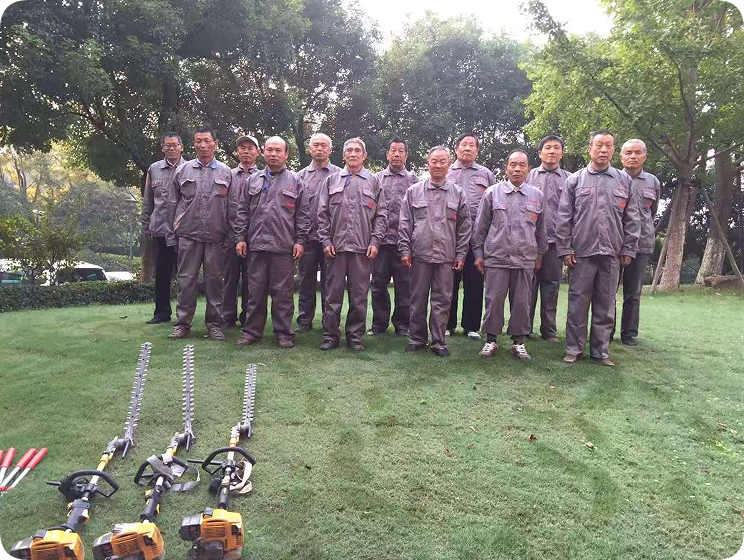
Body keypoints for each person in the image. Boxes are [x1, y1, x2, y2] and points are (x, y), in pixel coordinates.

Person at [555, 130, 640, 366]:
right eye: (599, 145)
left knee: (606, 304)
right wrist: (565, 249)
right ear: (590, 149)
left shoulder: (624, 181)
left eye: (608, 146)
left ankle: (601, 352)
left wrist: (628, 249)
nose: (603, 150)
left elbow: (632, 219)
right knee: (577, 303)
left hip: (612, 253)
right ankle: (574, 349)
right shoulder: (575, 180)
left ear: (613, 150)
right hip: (581, 253)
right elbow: (563, 218)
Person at [233, 136, 310, 348]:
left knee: (282, 293)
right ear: (263, 152)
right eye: (269, 150)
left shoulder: (296, 181)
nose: (273, 154)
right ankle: (251, 332)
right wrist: (240, 238)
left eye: (278, 150)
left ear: (286, 154)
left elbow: (303, 215)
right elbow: (242, 212)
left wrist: (300, 241)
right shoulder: (252, 181)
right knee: (255, 292)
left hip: (283, 246)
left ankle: (284, 333)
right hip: (256, 245)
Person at [473, 149, 546, 360]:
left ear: (528, 169)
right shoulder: (492, 193)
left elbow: (542, 230)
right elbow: (480, 227)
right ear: (506, 168)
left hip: (525, 258)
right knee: (494, 300)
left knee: (522, 302)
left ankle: (519, 342)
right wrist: (478, 253)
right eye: (513, 165)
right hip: (497, 257)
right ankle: (491, 340)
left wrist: (539, 255)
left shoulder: (537, 196)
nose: (517, 169)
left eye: (522, 165)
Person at [398, 146, 471, 357]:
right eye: (434, 161)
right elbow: (405, 223)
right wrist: (405, 250)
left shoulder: (458, 193)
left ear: (448, 165)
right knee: (417, 299)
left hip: (446, 256)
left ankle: (439, 341)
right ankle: (417, 338)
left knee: (442, 300)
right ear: (428, 164)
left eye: (442, 161)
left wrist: (461, 254)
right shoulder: (414, 192)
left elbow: (465, 227)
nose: (438, 165)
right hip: (419, 255)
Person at [316, 137, 387, 351]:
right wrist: (325, 240)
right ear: (344, 155)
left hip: (362, 250)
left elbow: (381, 216)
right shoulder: (331, 181)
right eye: (349, 150)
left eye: (357, 151)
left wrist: (375, 241)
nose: (353, 154)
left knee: (359, 297)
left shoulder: (374, 182)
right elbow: (322, 214)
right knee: (332, 296)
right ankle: (331, 336)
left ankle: (355, 337)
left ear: (364, 156)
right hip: (335, 249)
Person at [167, 126, 233, 340]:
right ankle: (182, 324)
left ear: (215, 144)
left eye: (207, 141)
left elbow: (232, 208)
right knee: (186, 281)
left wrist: (231, 236)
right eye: (198, 141)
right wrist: (172, 234)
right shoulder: (182, 171)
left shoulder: (226, 172)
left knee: (215, 282)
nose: (203, 145)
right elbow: (172, 204)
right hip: (189, 236)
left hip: (216, 237)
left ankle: (214, 324)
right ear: (193, 144)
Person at [446, 132, 496, 340]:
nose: (467, 148)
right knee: (449, 283)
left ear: (477, 150)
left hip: (477, 238)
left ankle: (471, 326)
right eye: (463, 145)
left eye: (472, 145)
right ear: (456, 149)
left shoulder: (486, 174)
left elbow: (494, 205)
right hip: (450, 237)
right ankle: (447, 324)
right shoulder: (446, 171)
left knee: (474, 282)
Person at [369, 137, 419, 336]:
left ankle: (402, 324)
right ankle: (379, 324)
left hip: (404, 243)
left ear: (406, 155)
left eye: (401, 151)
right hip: (381, 243)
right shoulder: (376, 179)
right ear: (387, 154)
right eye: (393, 150)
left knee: (404, 286)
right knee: (378, 285)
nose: (396, 154)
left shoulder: (414, 181)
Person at [616, 139, 660, 345]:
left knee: (633, 293)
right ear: (621, 157)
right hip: (615, 244)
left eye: (637, 152)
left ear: (645, 157)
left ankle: (629, 334)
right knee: (607, 293)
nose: (633, 156)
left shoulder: (653, 182)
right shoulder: (613, 178)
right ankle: (605, 332)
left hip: (641, 244)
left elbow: (651, 212)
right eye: (628, 153)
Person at [526, 135, 571, 342]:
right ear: (540, 153)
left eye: (556, 148)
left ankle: (549, 330)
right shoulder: (529, 176)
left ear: (562, 153)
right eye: (547, 148)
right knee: (527, 286)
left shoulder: (570, 179)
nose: (552, 151)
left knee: (551, 286)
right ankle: (524, 327)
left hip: (555, 242)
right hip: (530, 241)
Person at [296, 133, 341, 331]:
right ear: (310, 149)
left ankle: (328, 322)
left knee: (330, 283)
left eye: (324, 145)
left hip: (331, 241)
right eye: (316, 145)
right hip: (307, 238)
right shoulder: (300, 176)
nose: (320, 149)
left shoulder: (339, 175)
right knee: (306, 281)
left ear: (330, 149)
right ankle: (304, 321)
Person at [141, 132, 185, 325]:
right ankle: (161, 313)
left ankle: (184, 315)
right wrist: (145, 226)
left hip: (183, 231)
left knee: (185, 275)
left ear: (181, 147)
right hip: (160, 229)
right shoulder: (154, 169)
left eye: (175, 145)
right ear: (163, 148)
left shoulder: (190, 168)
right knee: (161, 274)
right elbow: (148, 200)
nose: (171, 148)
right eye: (168, 145)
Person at [222, 135, 260, 328]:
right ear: (237, 151)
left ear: (257, 152)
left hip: (254, 238)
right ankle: (227, 316)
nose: (246, 151)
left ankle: (248, 316)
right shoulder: (227, 175)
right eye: (242, 148)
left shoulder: (263, 177)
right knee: (229, 278)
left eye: (250, 148)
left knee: (251, 280)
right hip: (230, 236)